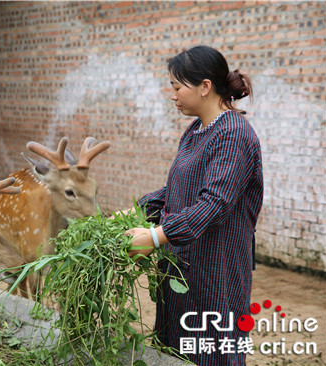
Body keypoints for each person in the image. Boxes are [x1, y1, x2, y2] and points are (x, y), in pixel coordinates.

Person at [124, 45, 263, 365]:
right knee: (176, 345)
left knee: (211, 346)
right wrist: (134, 213)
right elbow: (176, 188)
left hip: (216, 264)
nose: (172, 95)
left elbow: (215, 202)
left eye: (177, 87)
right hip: (180, 263)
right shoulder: (195, 131)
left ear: (204, 87)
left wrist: (156, 236)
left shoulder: (233, 134)